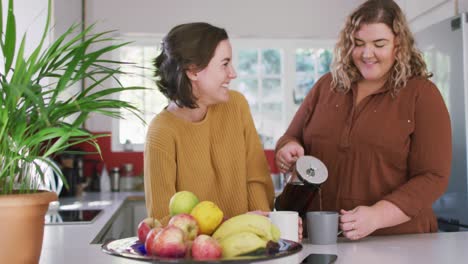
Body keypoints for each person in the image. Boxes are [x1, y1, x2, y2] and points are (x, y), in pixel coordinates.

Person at [275, 0, 452, 240]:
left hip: (398, 241)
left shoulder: (421, 94)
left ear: (398, 45)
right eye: (358, 44)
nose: (366, 54)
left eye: (379, 44)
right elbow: (291, 137)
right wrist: (288, 148)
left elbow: (433, 177)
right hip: (320, 237)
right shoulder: (326, 86)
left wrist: (378, 215)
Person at [144, 22, 275, 225]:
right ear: (193, 70)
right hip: (194, 255)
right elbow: (162, 220)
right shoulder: (162, 132)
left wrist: (264, 224)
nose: (233, 73)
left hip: (250, 245)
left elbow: (255, 177)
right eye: (224, 64)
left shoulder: (236, 105)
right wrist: (235, 224)